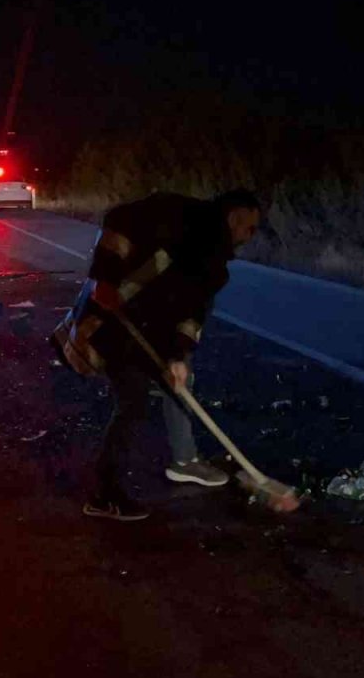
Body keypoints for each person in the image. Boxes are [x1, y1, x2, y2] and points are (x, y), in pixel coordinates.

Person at [52, 190, 261, 521]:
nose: (250, 237)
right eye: (251, 228)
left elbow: (192, 314)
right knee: (132, 403)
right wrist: (106, 275)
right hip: (116, 319)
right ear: (236, 217)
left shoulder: (215, 267)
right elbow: (119, 220)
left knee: (149, 398)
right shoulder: (175, 212)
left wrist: (179, 356)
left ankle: (179, 463)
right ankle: (105, 494)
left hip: (151, 336)